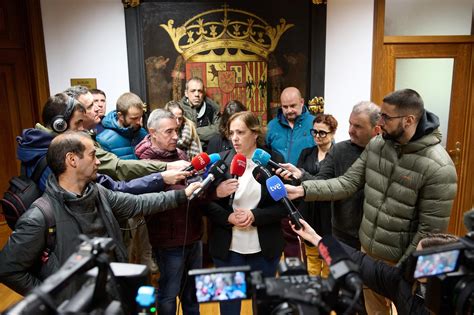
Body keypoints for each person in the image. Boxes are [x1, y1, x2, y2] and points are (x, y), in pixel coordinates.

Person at [284, 89, 458, 314]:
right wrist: (303, 190)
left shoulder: (439, 167)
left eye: (386, 117)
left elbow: (429, 229)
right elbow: (346, 183)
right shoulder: (377, 145)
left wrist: (405, 273)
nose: (380, 122)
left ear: (409, 120)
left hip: (403, 261)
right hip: (369, 252)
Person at [0, 131, 201, 296]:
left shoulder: (97, 192)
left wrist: (183, 195)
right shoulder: (40, 216)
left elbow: (137, 203)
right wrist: (51, 298)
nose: (97, 162)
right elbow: (7, 269)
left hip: (111, 296)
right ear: (72, 160)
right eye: (93, 155)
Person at [205, 111, 287, 315]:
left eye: (240, 132)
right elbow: (203, 202)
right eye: (231, 132)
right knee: (229, 309)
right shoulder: (221, 162)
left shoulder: (273, 161)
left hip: (264, 249)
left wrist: (256, 216)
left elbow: (284, 205)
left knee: (264, 307)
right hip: (227, 250)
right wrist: (227, 215)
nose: (234, 138)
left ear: (255, 133)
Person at [290, 218, 459, 315]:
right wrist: (316, 239)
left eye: (422, 258)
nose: (414, 260)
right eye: (416, 254)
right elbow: (361, 262)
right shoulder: (404, 280)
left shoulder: (460, 301)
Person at [279, 101, 381, 250]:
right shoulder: (340, 150)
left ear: (376, 129)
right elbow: (322, 182)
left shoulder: (386, 154)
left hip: (375, 237)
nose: (350, 130)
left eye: (358, 126)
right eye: (350, 124)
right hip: (344, 232)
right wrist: (301, 175)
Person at [135, 109, 204, 315]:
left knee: (192, 294)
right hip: (168, 241)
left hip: (193, 235)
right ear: (152, 132)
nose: (175, 136)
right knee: (169, 294)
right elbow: (154, 199)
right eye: (169, 132)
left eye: (177, 130)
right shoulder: (144, 164)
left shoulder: (181, 154)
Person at [64, 85, 189, 179]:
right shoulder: (100, 139)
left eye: (140, 117)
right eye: (91, 105)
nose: (98, 108)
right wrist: (165, 168)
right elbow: (117, 167)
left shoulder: (142, 133)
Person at [296, 114, 338, 278]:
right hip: (308, 210)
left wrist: (304, 176)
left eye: (322, 133)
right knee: (311, 256)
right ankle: (314, 288)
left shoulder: (338, 154)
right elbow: (297, 179)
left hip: (330, 212)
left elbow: (331, 183)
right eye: (314, 132)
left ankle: (328, 290)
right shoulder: (306, 153)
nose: (317, 136)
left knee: (328, 254)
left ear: (333, 133)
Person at [266, 86, 315, 165]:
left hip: (306, 176)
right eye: (285, 107)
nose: (289, 110)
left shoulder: (314, 124)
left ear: (302, 102)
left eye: (292, 106)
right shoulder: (272, 126)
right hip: (278, 175)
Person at [97, 92, 148, 160]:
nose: (139, 122)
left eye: (140, 117)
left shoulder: (143, 133)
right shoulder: (104, 140)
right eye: (134, 118)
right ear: (120, 116)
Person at [180, 77, 220, 150]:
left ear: (203, 93)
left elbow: (219, 129)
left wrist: (194, 131)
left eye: (200, 91)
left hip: (209, 151)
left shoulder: (212, 109)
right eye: (193, 91)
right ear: (186, 93)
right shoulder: (179, 110)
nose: (197, 94)